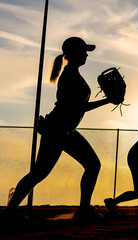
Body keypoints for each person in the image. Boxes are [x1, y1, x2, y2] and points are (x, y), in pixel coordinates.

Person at [6, 37, 111, 222]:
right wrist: (107, 100)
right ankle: (10, 213)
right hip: (57, 130)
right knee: (40, 173)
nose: (86, 55)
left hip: (64, 130)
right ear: (73, 54)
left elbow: (76, 107)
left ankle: (84, 211)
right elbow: (77, 108)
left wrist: (107, 100)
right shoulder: (70, 75)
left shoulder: (73, 73)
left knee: (91, 165)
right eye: (83, 51)